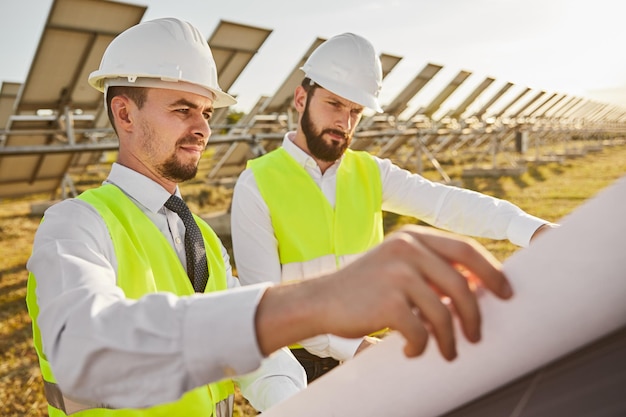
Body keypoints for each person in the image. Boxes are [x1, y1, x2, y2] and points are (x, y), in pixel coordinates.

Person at [26, 18, 515, 417]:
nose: (202, 127)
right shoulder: (74, 225)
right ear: (125, 115)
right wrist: (320, 302)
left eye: (206, 112)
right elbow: (82, 350)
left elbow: (254, 354)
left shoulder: (200, 240)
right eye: (181, 109)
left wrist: (294, 403)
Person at [230, 32, 558, 382]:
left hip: (375, 351)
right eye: (334, 104)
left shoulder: (371, 172)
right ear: (301, 98)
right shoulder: (257, 184)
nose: (344, 122)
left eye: (355, 111)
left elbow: (446, 203)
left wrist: (528, 228)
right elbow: (264, 303)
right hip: (298, 369)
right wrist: (351, 348)